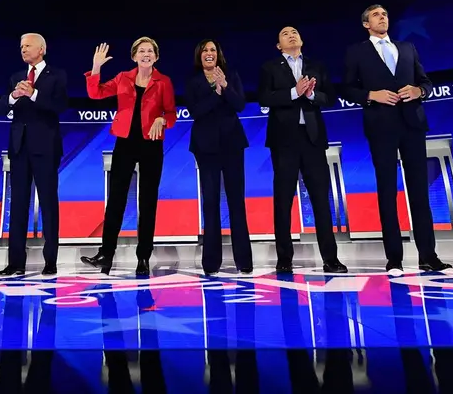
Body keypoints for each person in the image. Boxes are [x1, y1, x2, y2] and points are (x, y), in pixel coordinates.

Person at [342, 6, 450, 273]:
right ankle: (394, 258)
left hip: (412, 123)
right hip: (381, 126)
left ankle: (428, 255)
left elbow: (425, 82)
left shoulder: (407, 47)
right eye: (377, 15)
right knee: (387, 191)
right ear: (366, 24)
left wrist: (419, 91)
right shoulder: (356, 51)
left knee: (419, 192)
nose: (383, 18)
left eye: (385, 14)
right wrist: (371, 95)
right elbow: (346, 88)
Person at [80, 37, 176, 275]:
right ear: (134, 56)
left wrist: (162, 119)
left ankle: (143, 257)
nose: (146, 54)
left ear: (156, 56)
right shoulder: (123, 77)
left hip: (152, 145)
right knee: (116, 200)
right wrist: (96, 68)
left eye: (150, 51)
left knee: (147, 201)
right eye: (141, 51)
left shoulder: (163, 82)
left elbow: (171, 113)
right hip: (125, 143)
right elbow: (96, 94)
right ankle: (106, 255)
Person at [259, 27, 347, 274]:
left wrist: (311, 95)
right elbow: (265, 97)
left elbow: (330, 97)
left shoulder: (316, 65)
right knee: (283, 201)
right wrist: (292, 92)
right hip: (284, 140)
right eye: (285, 34)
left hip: (312, 139)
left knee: (320, 200)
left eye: (295, 32)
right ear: (279, 45)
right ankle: (284, 259)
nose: (291, 35)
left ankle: (330, 259)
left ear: (301, 39)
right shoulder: (270, 67)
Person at [0, 33, 67, 276]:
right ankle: (15, 262)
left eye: (28, 46)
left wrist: (33, 94)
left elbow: (59, 106)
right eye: (21, 46)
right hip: (19, 147)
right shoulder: (16, 77)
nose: (23, 50)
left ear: (41, 50)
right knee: (18, 205)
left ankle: (50, 261)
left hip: (45, 147)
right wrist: (15, 96)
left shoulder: (57, 76)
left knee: (48, 203)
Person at [184, 39, 253, 275]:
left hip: (232, 145)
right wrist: (216, 90)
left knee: (237, 202)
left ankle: (243, 260)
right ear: (199, 55)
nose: (209, 53)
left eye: (213, 50)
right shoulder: (193, 82)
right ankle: (211, 263)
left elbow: (240, 105)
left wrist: (225, 86)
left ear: (218, 55)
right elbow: (197, 111)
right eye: (205, 50)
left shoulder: (230, 75)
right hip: (206, 148)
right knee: (210, 203)